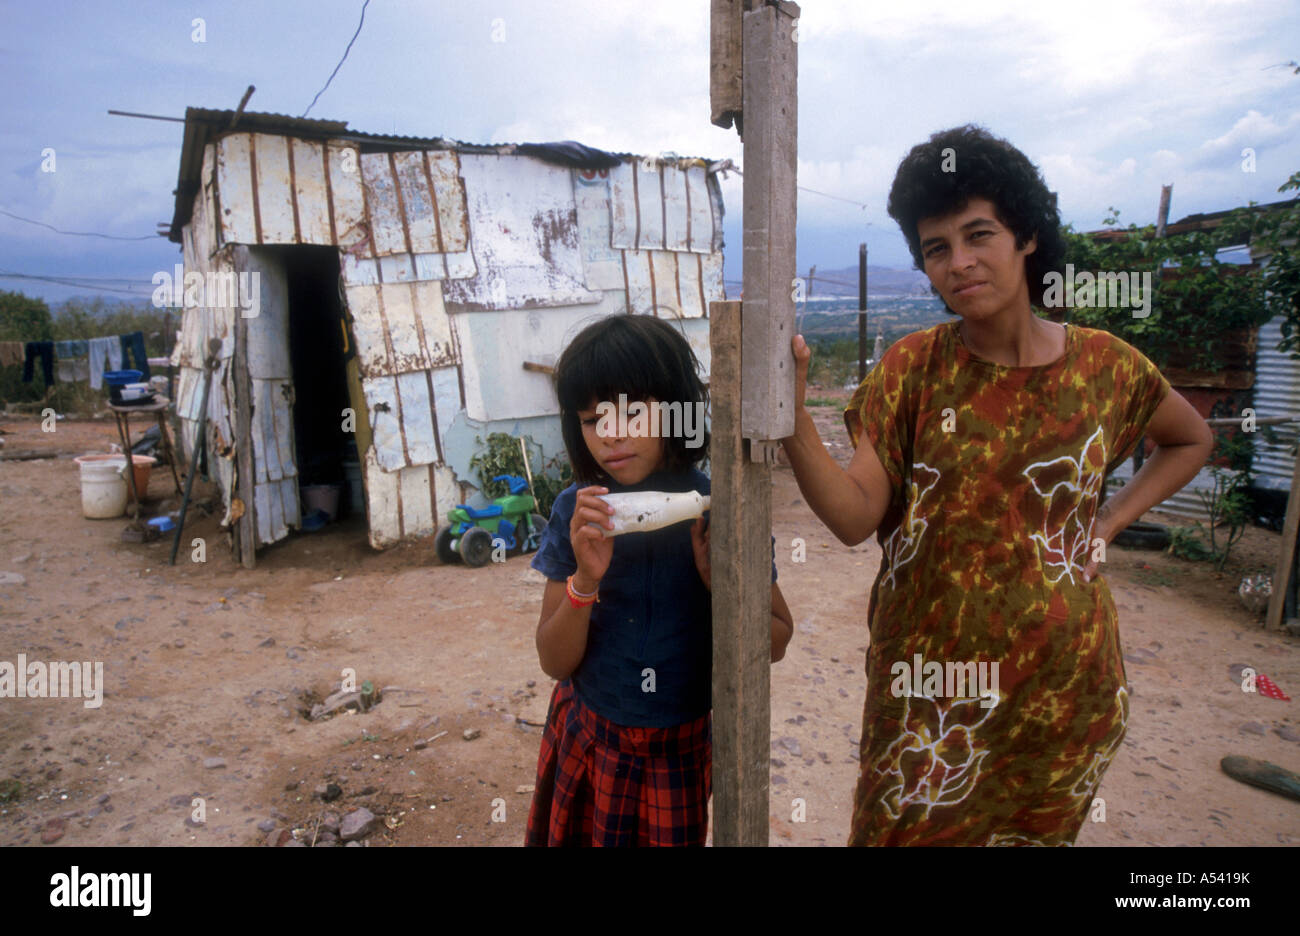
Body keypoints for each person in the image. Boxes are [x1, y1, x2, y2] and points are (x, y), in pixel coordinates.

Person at [781, 125, 1213, 845]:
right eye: (936, 248)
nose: (960, 262)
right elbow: (856, 517)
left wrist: (1105, 525)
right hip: (933, 702)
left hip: (1063, 692)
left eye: (979, 235)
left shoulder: (1108, 369)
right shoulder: (912, 369)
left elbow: (1190, 437)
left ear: (1028, 236)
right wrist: (792, 418)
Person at [526, 314, 795, 846]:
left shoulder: (723, 513)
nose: (610, 435)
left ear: (678, 410)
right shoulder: (576, 515)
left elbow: (777, 639)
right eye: (591, 418)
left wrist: (724, 585)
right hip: (589, 739)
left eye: (632, 411)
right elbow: (555, 662)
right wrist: (585, 579)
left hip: (677, 752)